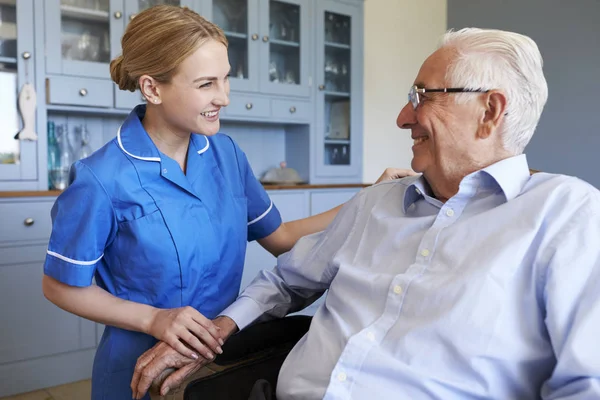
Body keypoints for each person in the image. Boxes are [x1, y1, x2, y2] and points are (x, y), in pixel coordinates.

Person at [132, 27, 600, 399]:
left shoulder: (564, 213)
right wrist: (216, 331)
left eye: (422, 96)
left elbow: (586, 381)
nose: (402, 116)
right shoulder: (378, 201)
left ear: (489, 111)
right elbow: (283, 280)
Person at [40, 5, 414, 400]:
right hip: (138, 368)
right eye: (206, 84)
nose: (224, 97)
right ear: (152, 88)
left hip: (217, 359)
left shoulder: (227, 155)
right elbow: (59, 286)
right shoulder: (101, 177)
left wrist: (366, 198)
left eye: (225, 79)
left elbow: (282, 237)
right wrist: (154, 319)